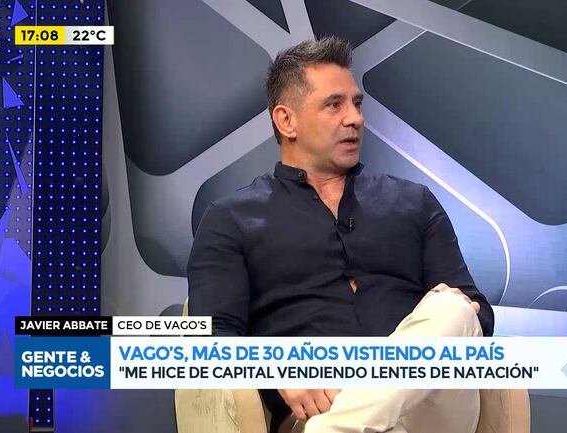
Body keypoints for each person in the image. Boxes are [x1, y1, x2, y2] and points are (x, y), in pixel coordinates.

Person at [187, 36, 494, 433]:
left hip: (430, 407)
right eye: (335, 105)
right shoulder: (232, 219)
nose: (355, 119)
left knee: (453, 309)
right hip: (317, 409)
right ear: (286, 121)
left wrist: (458, 314)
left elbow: (479, 316)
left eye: (357, 104)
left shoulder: (414, 202)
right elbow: (209, 340)